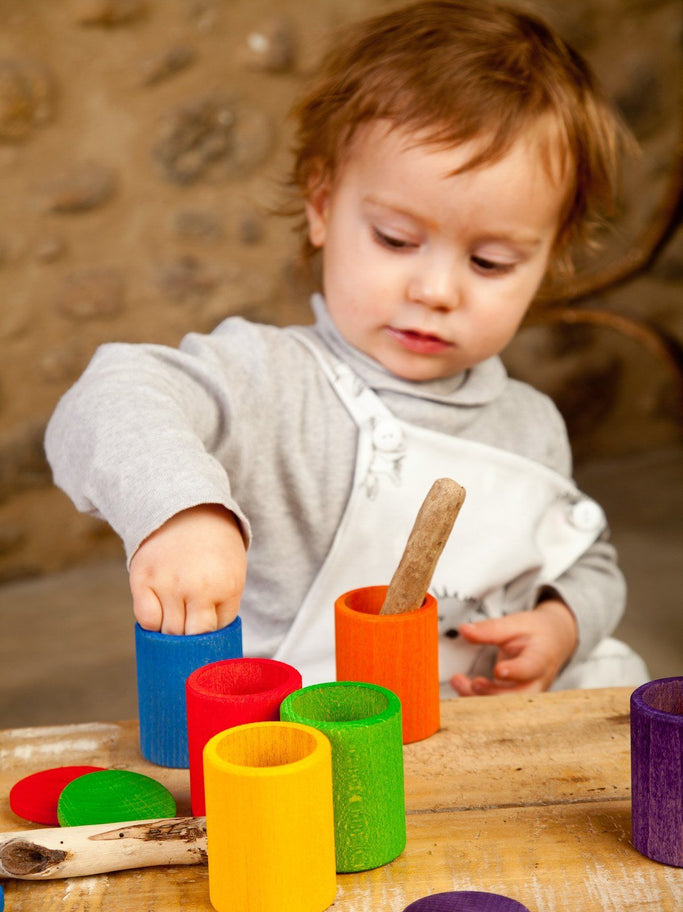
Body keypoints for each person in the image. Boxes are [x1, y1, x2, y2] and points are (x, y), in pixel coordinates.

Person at [46, 0, 648, 697]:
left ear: (550, 259)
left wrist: (561, 623)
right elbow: (110, 394)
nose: (435, 290)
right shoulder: (271, 381)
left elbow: (585, 562)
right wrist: (180, 512)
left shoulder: (530, 423)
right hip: (302, 747)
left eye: (489, 262)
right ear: (322, 205)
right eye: (395, 240)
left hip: (478, 743)